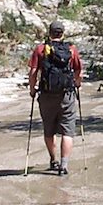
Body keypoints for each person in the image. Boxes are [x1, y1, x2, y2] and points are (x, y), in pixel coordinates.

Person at [28, 20, 83, 176]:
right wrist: (77, 84)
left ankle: (53, 161)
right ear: (63, 33)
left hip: (46, 95)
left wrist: (32, 90)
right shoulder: (71, 50)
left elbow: (33, 73)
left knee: (49, 130)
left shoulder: (40, 49)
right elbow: (79, 71)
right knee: (68, 131)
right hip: (67, 95)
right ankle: (64, 165)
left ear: (49, 33)